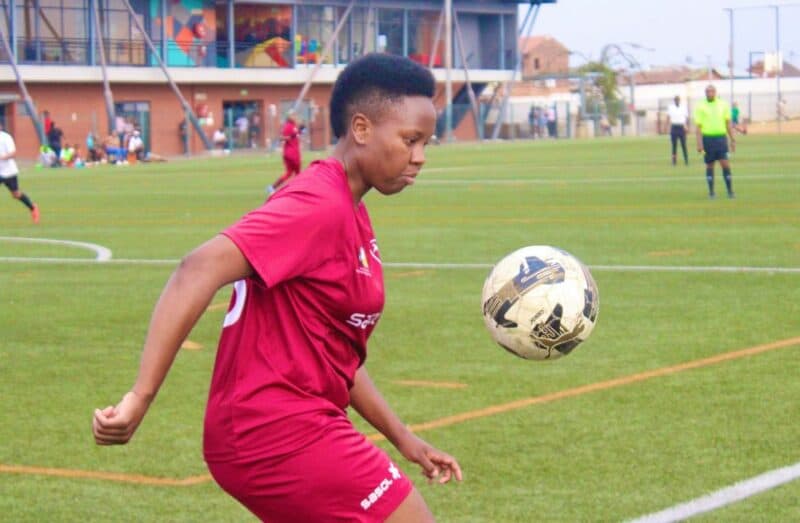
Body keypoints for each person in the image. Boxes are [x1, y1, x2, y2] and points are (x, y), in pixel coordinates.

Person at [92, 53, 461, 522]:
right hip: (271, 432)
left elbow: (334, 355)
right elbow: (197, 268)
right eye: (410, 140)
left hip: (297, 423)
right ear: (361, 128)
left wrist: (404, 439)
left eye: (426, 142)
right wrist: (139, 398)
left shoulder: (350, 210)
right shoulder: (320, 204)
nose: (420, 157)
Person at [694, 84, 735, 199]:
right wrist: (699, 143)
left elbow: (728, 123)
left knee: (725, 163)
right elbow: (698, 127)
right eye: (707, 92)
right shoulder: (701, 106)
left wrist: (732, 139)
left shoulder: (723, 104)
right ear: (705, 93)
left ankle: (730, 191)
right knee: (709, 165)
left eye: (711, 91)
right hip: (707, 139)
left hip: (721, 139)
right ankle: (711, 192)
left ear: (715, 93)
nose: (710, 94)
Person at [0, 122, 40, 223]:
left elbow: (13, 153)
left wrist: (2, 157)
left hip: (9, 172)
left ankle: (33, 207)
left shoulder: (6, 138)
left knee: (16, 194)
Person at [265, 111, 302, 195]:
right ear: (290, 117)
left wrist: (300, 130)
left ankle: (272, 187)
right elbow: (282, 137)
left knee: (289, 173)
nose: (296, 117)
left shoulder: (294, 126)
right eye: (294, 115)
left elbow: (297, 134)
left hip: (291, 152)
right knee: (298, 174)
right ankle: (296, 190)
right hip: (292, 153)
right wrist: (290, 137)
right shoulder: (288, 126)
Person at [666, 95, 689, 166]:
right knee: (674, 145)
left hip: (681, 127)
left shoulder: (683, 107)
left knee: (683, 144)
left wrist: (686, 126)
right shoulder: (671, 107)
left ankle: (686, 160)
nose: (677, 101)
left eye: (678, 100)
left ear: (679, 100)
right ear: (674, 100)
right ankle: (674, 161)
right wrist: (667, 127)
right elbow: (668, 117)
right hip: (674, 127)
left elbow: (686, 117)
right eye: (676, 100)